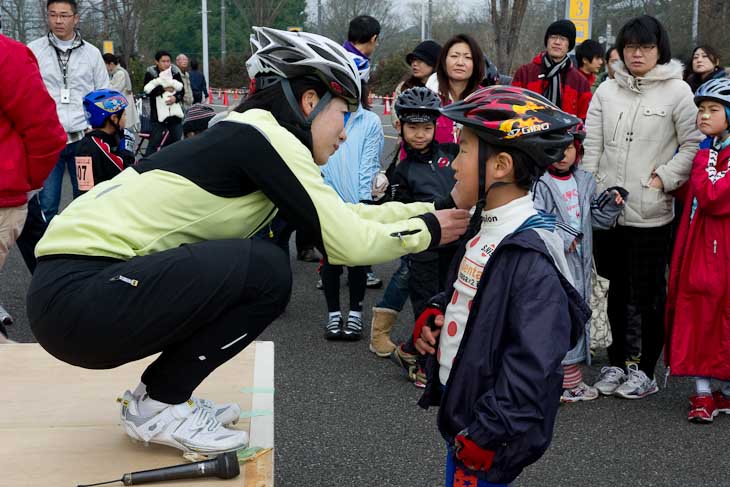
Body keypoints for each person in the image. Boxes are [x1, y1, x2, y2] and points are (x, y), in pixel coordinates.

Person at [26, 27, 469, 455]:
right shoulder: (264, 137)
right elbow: (346, 243)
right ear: (310, 101)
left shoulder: (253, 134)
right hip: (79, 297)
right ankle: (159, 404)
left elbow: (342, 215)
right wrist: (429, 233)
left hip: (77, 296)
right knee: (267, 270)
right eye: (343, 114)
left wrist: (427, 211)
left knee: (259, 264)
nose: (345, 132)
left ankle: (161, 398)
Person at [413, 86, 590, 486]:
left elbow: (533, 362)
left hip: (486, 436)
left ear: (501, 165)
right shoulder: (485, 228)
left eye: (462, 151)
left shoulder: (531, 253)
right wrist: (439, 311)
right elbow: (483, 298)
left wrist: (489, 433)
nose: (453, 165)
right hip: (466, 416)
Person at [583, 15, 703, 399]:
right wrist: (590, 192)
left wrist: (663, 179)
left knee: (648, 293)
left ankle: (646, 370)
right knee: (614, 289)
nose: (638, 53)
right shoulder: (606, 90)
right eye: (632, 46)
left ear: (659, 49)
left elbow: (692, 145)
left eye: (646, 47)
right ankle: (617, 362)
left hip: (652, 212)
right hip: (608, 212)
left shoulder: (678, 92)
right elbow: (591, 146)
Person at [533, 123, 626, 403]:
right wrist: (565, 234)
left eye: (569, 147)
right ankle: (565, 383)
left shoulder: (584, 180)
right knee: (558, 318)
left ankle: (565, 380)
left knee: (575, 316)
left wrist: (612, 201)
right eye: (555, 147)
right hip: (554, 263)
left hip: (583, 262)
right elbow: (534, 217)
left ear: (579, 149)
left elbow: (595, 218)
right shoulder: (539, 183)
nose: (562, 154)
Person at [383, 88, 458, 385]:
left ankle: (418, 352)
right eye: (413, 128)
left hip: (456, 246)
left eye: (427, 128)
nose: (419, 135)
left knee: (452, 305)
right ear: (400, 126)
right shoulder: (402, 171)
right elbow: (399, 215)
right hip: (424, 250)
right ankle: (423, 362)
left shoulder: (451, 155)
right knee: (427, 307)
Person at [665, 78, 730, 423]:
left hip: (719, 249)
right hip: (699, 246)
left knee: (718, 315)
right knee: (699, 313)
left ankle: (722, 391)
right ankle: (703, 391)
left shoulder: (710, 151)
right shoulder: (712, 147)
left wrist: (703, 156)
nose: (703, 116)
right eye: (701, 110)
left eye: (713, 110)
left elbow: (712, 195)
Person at [0, 32, 67, 344]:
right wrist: (26, 183)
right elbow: (44, 131)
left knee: (41, 236)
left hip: (11, 187)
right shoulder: (10, 55)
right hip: (7, 189)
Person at [28, 0, 109, 220]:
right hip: (48, 142)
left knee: (86, 201)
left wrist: (100, 130)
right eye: (53, 15)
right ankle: (46, 253)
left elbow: (103, 93)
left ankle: (83, 251)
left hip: (83, 140)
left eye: (64, 15)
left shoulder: (91, 54)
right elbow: (26, 93)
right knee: (47, 204)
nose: (58, 20)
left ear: (76, 17)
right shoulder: (33, 51)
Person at [320, 73, 384, 341]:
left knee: (358, 260)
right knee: (330, 261)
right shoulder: (323, 116)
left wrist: (361, 205)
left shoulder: (369, 120)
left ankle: (355, 314)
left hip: (358, 202)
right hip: (325, 201)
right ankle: (333, 314)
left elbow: (368, 165)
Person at [511, 19, 592, 120]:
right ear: (547, 41)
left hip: (566, 135)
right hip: (529, 132)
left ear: (569, 46)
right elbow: (512, 108)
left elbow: (584, 120)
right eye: (553, 37)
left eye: (563, 39)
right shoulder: (525, 73)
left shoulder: (580, 82)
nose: (557, 42)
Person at [425, 34, 485, 144]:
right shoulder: (426, 99)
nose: (460, 63)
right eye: (454, 56)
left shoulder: (484, 100)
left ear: (476, 64)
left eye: (468, 57)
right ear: (444, 61)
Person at [74, 90, 135, 194]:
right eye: (124, 115)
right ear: (114, 119)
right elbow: (125, 170)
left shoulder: (105, 138)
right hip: (100, 202)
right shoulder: (95, 144)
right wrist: (127, 150)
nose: (125, 118)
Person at [143, 50, 184, 155]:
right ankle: (147, 165)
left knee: (176, 140)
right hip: (157, 114)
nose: (166, 64)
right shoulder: (151, 73)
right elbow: (147, 92)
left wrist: (176, 98)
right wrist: (163, 89)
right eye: (163, 61)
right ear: (157, 62)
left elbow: (182, 90)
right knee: (154, 142)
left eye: (168, 61)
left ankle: (168, 161)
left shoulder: (175, 72)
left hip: (174, 113)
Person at [103, 53, 140, 133]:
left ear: (111, 64)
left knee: (125, 131)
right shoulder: (115, 74)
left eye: (104, 65)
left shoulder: (120, 73)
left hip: (124, 107)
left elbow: (114, 90)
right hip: (121, 107)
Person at [342, 15, 380, 83]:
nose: (377, 44)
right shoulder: (361, 66)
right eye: (377, 41)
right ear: (373, 38)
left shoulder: (339, 54)